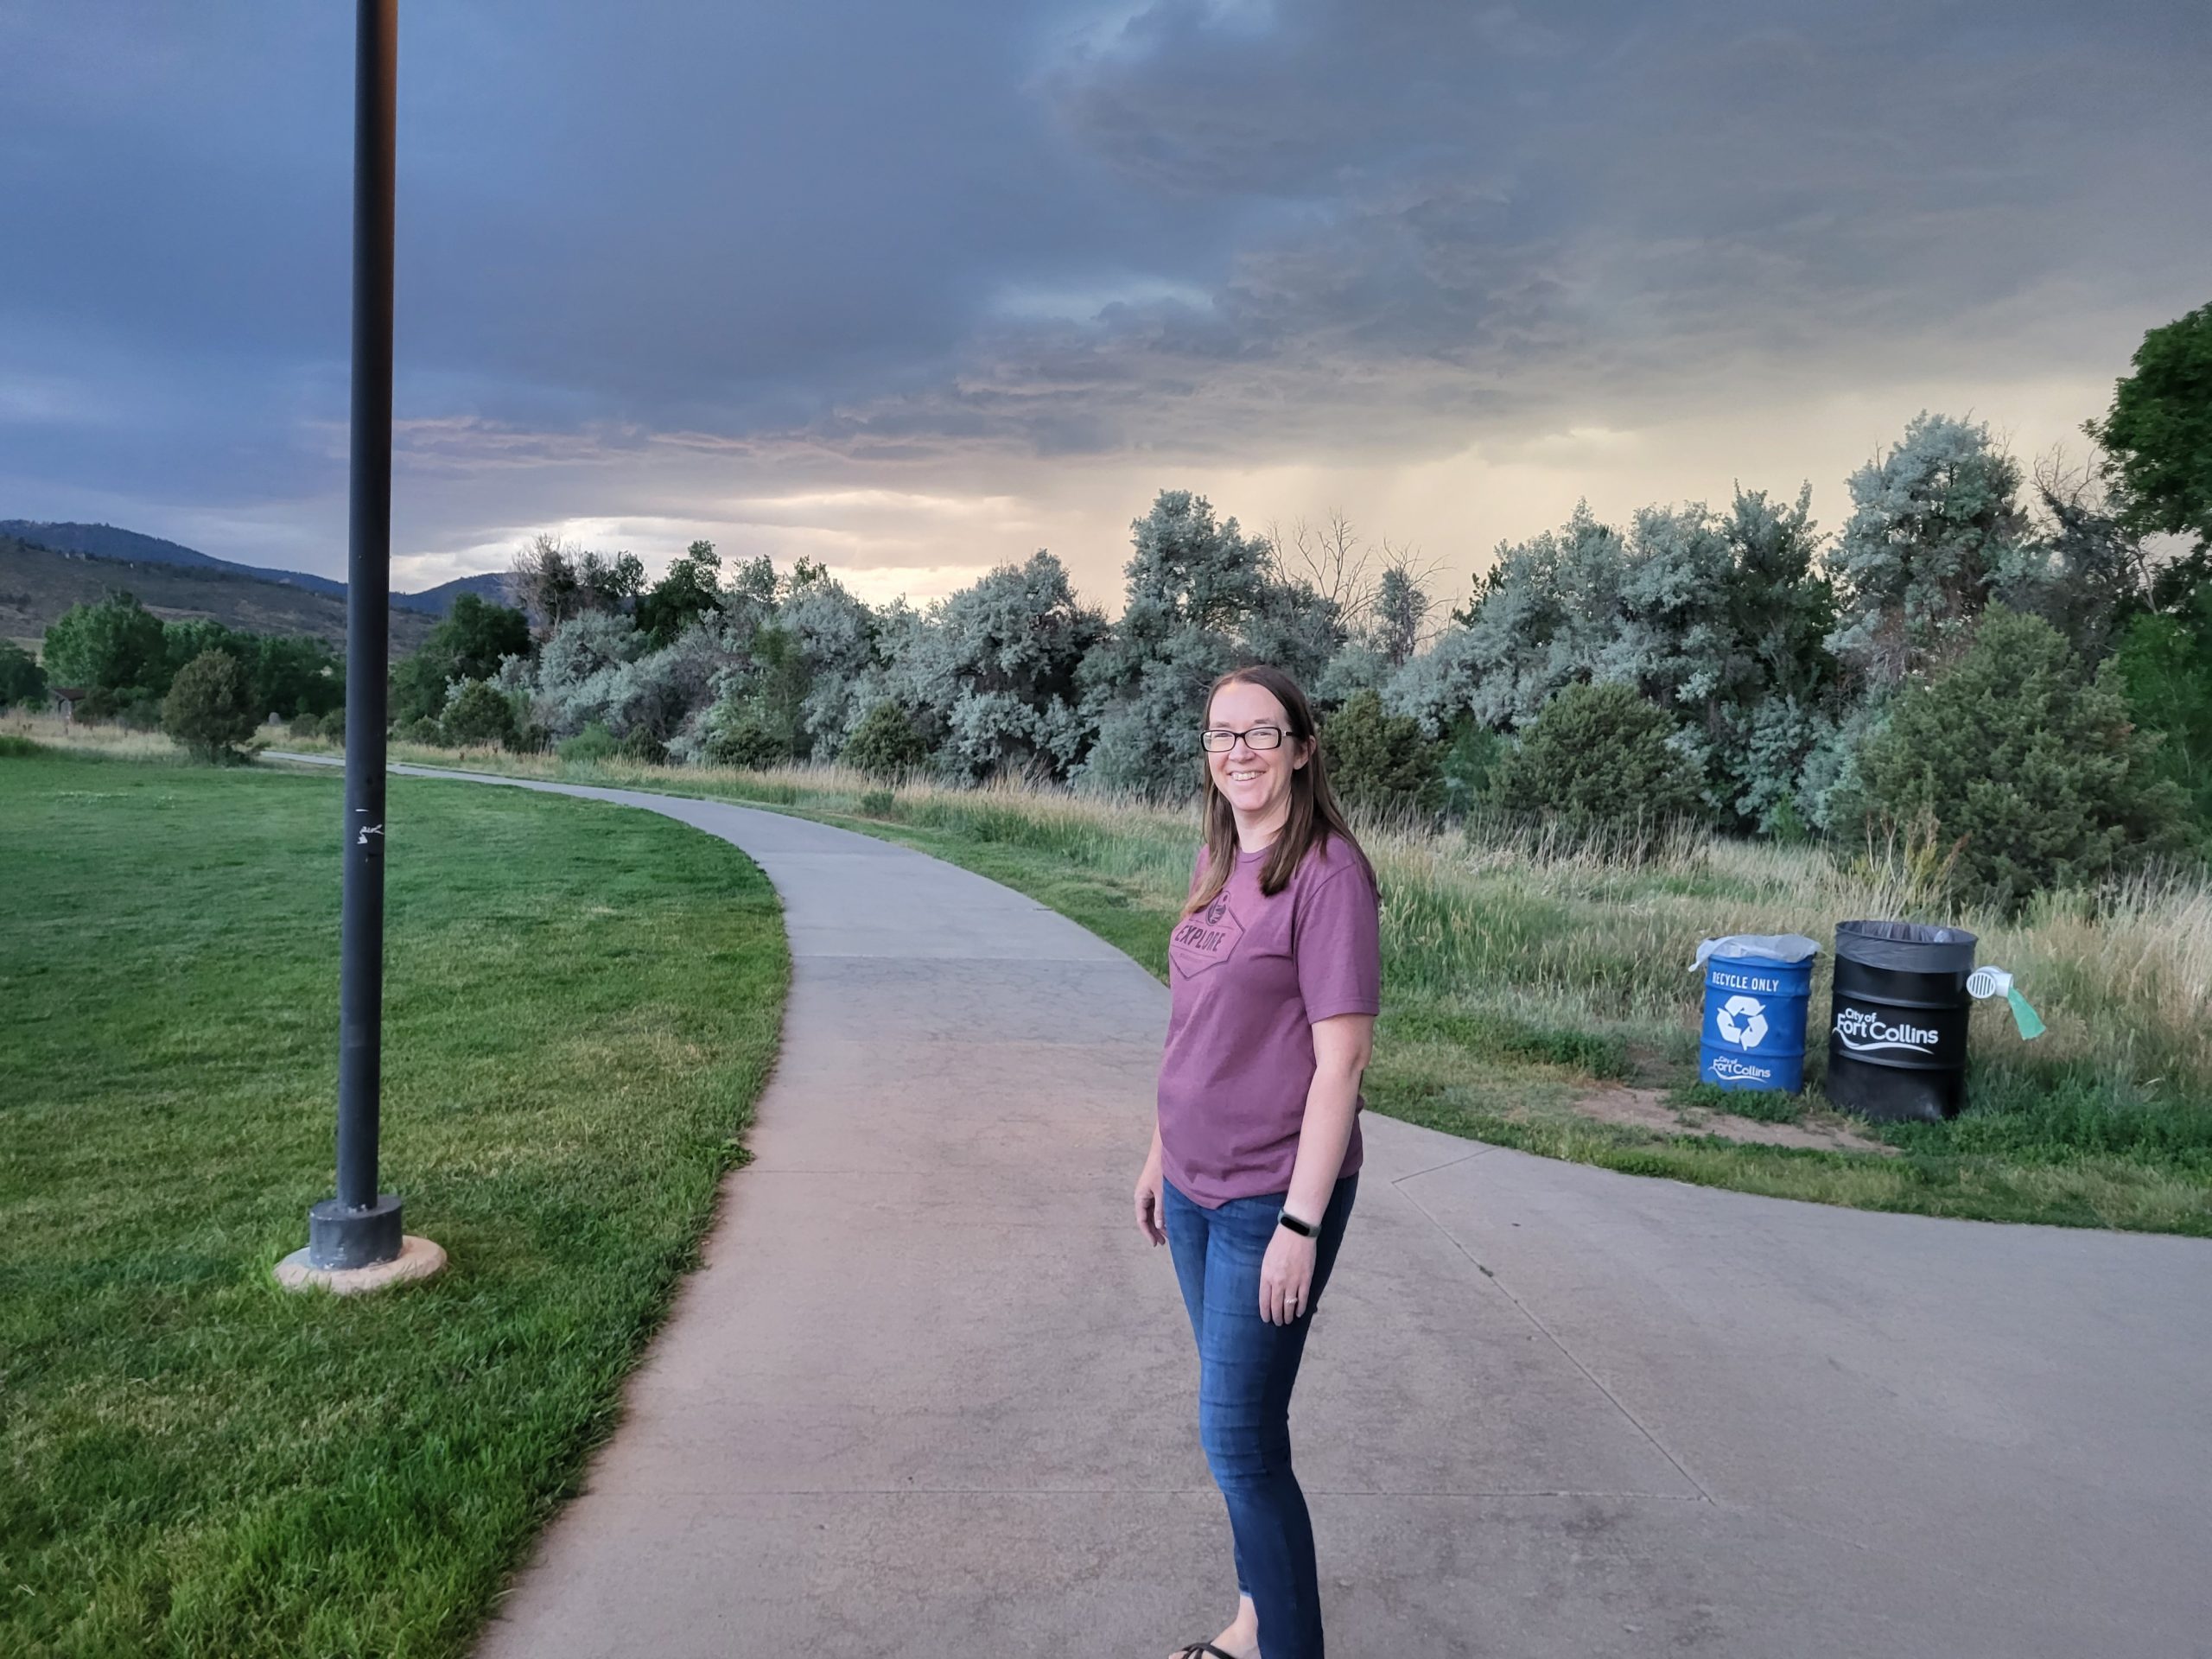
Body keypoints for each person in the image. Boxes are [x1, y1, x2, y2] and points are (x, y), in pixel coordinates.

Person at [1134, 664, 1382, 1659]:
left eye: (1260, 732)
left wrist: (1298, 1224)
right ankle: (1254, 1624)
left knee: (1237, 1440)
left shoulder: (1327, 875)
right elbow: (1193, 1024)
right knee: (1241, 1430)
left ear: (1301, 749)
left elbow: (1343, 1063)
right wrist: (1157, 1153)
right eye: (1221, 734)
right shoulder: (1215, 857)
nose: (1238, 750)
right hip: (1192, 1184)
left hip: (1266, 1197)